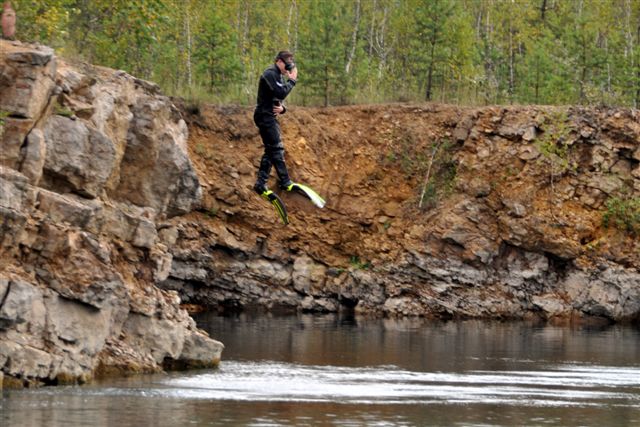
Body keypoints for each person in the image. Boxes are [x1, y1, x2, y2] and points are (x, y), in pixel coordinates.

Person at [253, 50, 298, 196]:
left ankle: (261, 183)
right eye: (287, 65)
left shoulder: (277, 75)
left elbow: (276, 98)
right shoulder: (270, 73)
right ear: (279, 61)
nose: (288, 68)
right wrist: (292, 81)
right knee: (277, 148)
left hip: (268, 116)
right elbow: (280, 92)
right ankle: (285, 181)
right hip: (264, 117)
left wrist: (283, 109)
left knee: (271, 150)